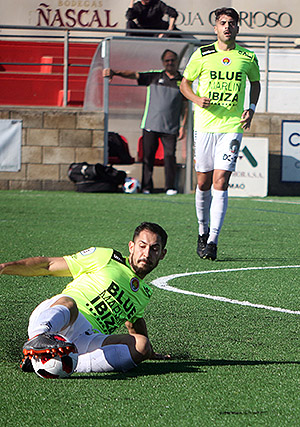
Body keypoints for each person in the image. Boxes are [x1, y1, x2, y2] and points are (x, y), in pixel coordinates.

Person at [0, 222, 170, 375]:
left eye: (154, 248)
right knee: (70, 303)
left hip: (88, 338)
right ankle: (38, 339)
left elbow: (134, 322)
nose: (147, 253)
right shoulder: (107, 258)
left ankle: (66, 362)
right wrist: (4, 267)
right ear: (131, 246)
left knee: (141, 345)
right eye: (142, 246)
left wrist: (149, 352)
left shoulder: (144, 293)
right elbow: (49, 265)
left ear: (162, 254)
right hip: (61, 318)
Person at [180, 7, 261, 261]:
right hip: (204, 126)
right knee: (202, 182)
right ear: (215, 28)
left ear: (237, 28)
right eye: (223, 23)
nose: (227, 27)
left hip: (231, 127)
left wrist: (251, 108)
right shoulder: (202, 54)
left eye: (232, 23)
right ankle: (202, 231)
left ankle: (213, 239)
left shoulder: (247, 56)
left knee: (221, 181)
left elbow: (255, 83)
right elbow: (185, 83)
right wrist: (196, 98)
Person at [104, 49, 186, 195]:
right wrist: (115, 72)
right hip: (150, 125)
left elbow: (185, 106)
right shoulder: (154, 76)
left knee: (169, 156)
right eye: (167, 60)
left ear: (177, 61)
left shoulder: (182, 80)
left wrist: (183, 126)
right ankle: (147, 187)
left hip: (171, 127)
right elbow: (134, 75)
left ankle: (170, 187)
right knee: (148, 157)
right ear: (163, 62)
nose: (170, 63)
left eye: (172, 60)